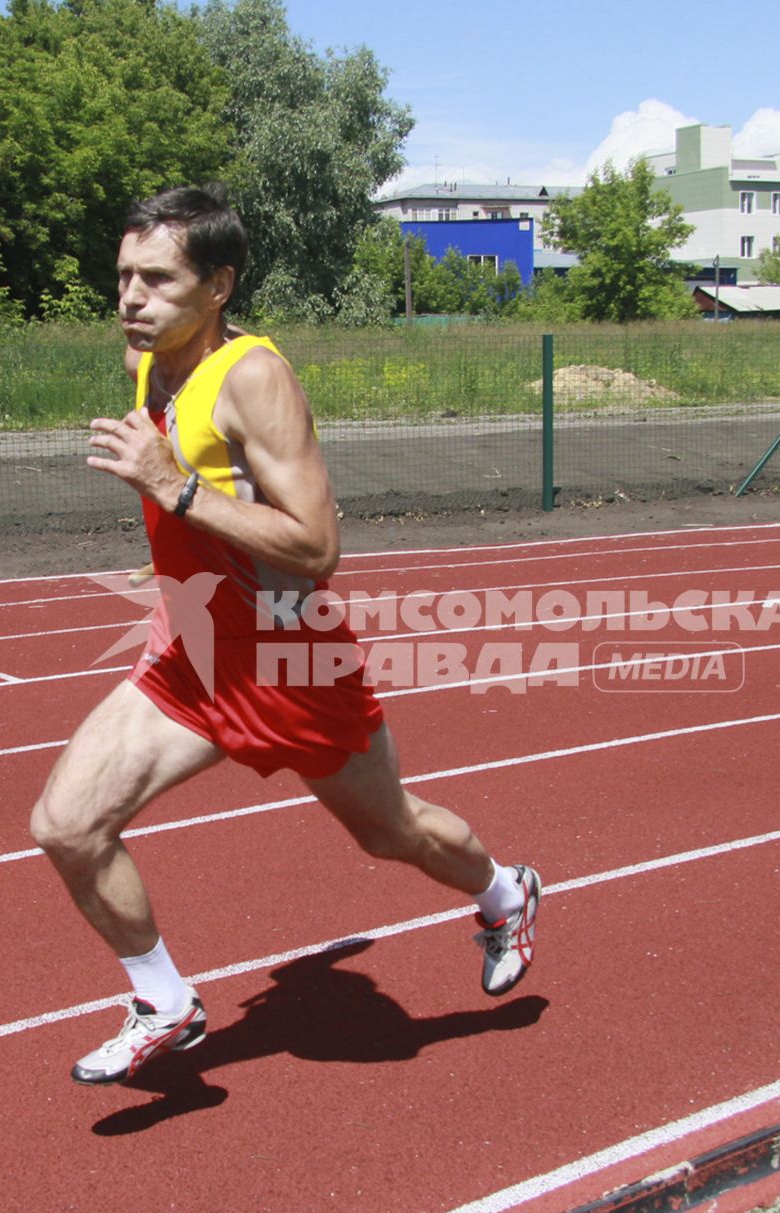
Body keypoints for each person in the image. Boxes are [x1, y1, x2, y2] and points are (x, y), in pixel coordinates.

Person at [30, 185, 539, 1086]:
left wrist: (176, 487)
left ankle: (504, 893)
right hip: (192, 645)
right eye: (123, 277)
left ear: (219, 285)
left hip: (288, 653)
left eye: (157, 279)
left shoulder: (254, 377)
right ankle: (164, 1002)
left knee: (389, 833)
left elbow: (318, 546)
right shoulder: (150, 360)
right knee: (67, 826)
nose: (132, 298)